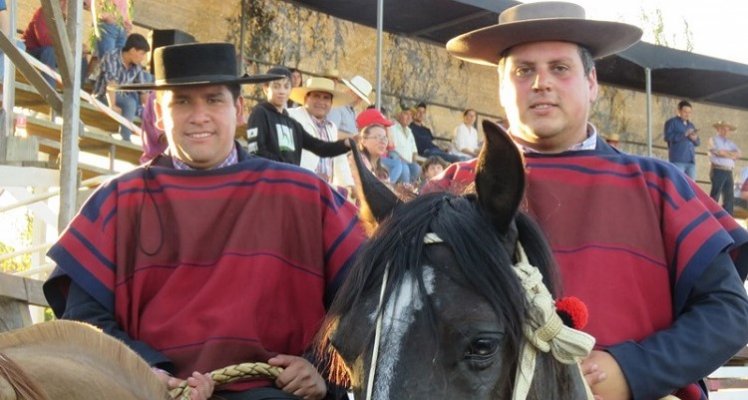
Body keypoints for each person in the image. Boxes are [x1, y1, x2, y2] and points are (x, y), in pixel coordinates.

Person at [443, 2, 748, 399]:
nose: (541, 83)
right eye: (523, 71)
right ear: (502, 89)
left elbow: (728, 313)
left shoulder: (659, 185)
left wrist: (632, 369)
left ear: (591, 82)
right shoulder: (452, 189)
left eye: (559, 68)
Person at [43, 43, 365, 400]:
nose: (199, 116)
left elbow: (370, 301)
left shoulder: (304, 195)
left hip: (277, 394)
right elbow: (82, 319)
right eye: (181, 102)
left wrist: (323, 370)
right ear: (158, 115)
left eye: (214, 100)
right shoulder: (119, 200)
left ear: (239, 110)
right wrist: (144, 371)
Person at [246, 66, 351, 165]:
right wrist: (287, 167)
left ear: (290, 90)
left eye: (286, 87)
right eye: (276, 86)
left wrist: (346, 144)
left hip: (291, 180)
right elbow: (256, 151)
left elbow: (319, 147)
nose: (282, 91)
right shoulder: (260, 113)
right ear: (266, 88)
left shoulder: (293, 123)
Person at [287, 77, 353, 187]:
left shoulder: (331, 127)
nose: (321, 102)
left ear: (331, 103)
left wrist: (349, 184)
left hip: (325, 190)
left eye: (326, 98)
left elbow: (339, 160)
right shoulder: (290, 117)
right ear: (305, 99)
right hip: (298, 185)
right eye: (316, 96)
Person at [93, 33, 151, 142]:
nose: (143, 58)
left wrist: (149, 111)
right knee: (130, 103)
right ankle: (125, 138)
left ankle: (131, 137)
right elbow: (111, 84)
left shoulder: (137, 67)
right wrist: (112, 105)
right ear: (133, 50)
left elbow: (144, 92)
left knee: (140, 107)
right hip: (103, 96)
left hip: (122, 99)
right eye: (142, 53)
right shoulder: (112, 56)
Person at [708, 121, 741, 215]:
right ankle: (710, 216)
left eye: (728, 130)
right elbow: (718, 152)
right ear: (718, 129)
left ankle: (728, 218)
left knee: (729, 196)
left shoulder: (731, 143)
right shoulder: (713, 139)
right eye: (723, 129)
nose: (726, 132)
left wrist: (725, 153)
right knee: (715, 194)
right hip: (718, 169)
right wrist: (731, 154)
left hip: (728, 171)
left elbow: (739, 154)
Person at [664, 100, 700, 179]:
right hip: (678, 160)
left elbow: (698, 143)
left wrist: (695, 138)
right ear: (679, 111)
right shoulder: (671, 122)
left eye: (689, 112)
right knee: (678, 184)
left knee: (691, 186)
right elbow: (667, 137)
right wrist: (684, 134)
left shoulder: (691, 125)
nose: (687, 114)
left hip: (691, 161)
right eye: (685, 111)